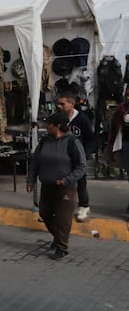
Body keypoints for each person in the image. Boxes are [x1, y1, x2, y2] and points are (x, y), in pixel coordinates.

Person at [27, 111, 86, 260]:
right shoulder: (45, 141)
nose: (46, 127)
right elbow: (35, 162)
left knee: (63, 218)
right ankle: (58, 237)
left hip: (65, 187)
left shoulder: (72, 142)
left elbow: (81, 166)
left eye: (49, 124)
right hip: (47, 184)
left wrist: (68, 179)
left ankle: (62, 248)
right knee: (45, 213)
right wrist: (30, 180)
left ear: (57, 126)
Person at [54, 93, 95, 222]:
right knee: (60, 182)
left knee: (81, 182)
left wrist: (85, 154)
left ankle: (84, 206)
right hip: (62, 157)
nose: (59, 106)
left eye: (62, 104)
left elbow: (91, 140)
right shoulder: (58, 118)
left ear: (71, 104)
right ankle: (59, 207)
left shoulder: (82, 119)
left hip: (78, 157)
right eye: (58, 104)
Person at [106, 86, 129, 212]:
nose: (128, 97)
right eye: (127, 94)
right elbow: (114, 129)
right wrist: (111, 148)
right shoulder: (122, 108)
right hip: (126, 144)